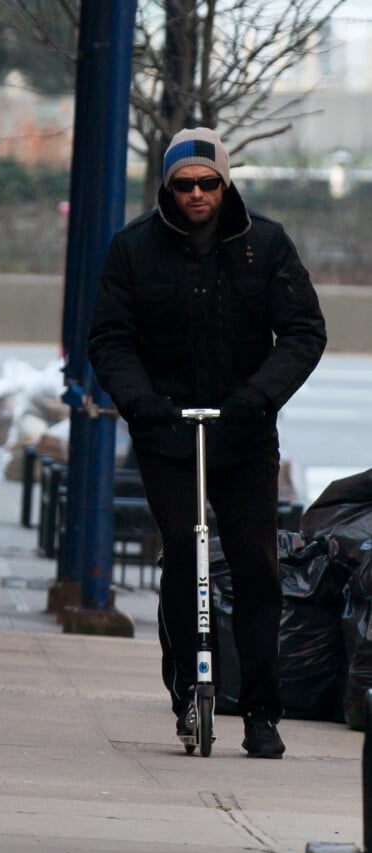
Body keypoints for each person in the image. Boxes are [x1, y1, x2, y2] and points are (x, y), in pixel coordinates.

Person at [88, 127, 327, 758]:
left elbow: (303, 331)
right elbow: (110, 340)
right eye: (184, 184)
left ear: (226, 183)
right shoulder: (134, 247)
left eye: (209, 182)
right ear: (168, 186)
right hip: (167, 431)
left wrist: (257, 398)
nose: (197, 193)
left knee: (256, 567)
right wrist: (140, 402)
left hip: (244, 433)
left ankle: (261, 709)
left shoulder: (265, 244)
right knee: (184, 559)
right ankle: (187, 691)